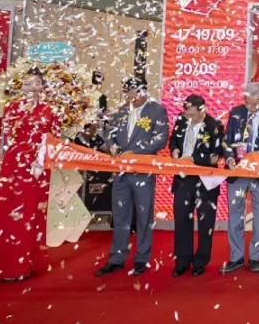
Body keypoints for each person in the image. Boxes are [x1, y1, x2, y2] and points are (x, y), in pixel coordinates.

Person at [0, 68, 60, 282]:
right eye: (27, 83)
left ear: (42, 86)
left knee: (33, 212)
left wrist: (41, 159)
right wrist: (25, 158)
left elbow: (53, 137)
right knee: (13, 211)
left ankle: (30, 263)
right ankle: (9, 266)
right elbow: (9, 138)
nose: (31, 87)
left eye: (36, 82)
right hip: (16, 164)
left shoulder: (49, 109)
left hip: (39, 166)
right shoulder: (12, 108)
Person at [96, 78, 169, 277]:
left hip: (143, 173)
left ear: (144, 91)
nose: (131, 97)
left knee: (144, 217)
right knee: (120, 216)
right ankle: (116, 258)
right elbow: (108, 133)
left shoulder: (157, 111)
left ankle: (141, 259)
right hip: (120, 173)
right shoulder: (120, 111)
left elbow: (161, 139)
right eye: (127, 93)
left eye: (134, 93)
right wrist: (111, 145)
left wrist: (135, 152)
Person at [220, 82, 259, 274]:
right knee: (235, 214)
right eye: (246, 102)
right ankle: (236, 257)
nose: (248, 106)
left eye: (252, 103)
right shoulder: (236, 112)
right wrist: (229, 157)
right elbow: (227, 140)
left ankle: (255, 257)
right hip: (238, 173)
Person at [168, 94, 224, 278]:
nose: (189, 118)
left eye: (192, 115)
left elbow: (216, 155)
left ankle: (200, 262)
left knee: (205, 223)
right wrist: (175, 150)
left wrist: (193, 159)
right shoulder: (181, 120)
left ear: (202, 110)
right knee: (182, 220)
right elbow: (173, 140)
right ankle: (182, 261)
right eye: (187, 114)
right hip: (183, 179)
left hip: (205, 181)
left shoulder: (215, 126)